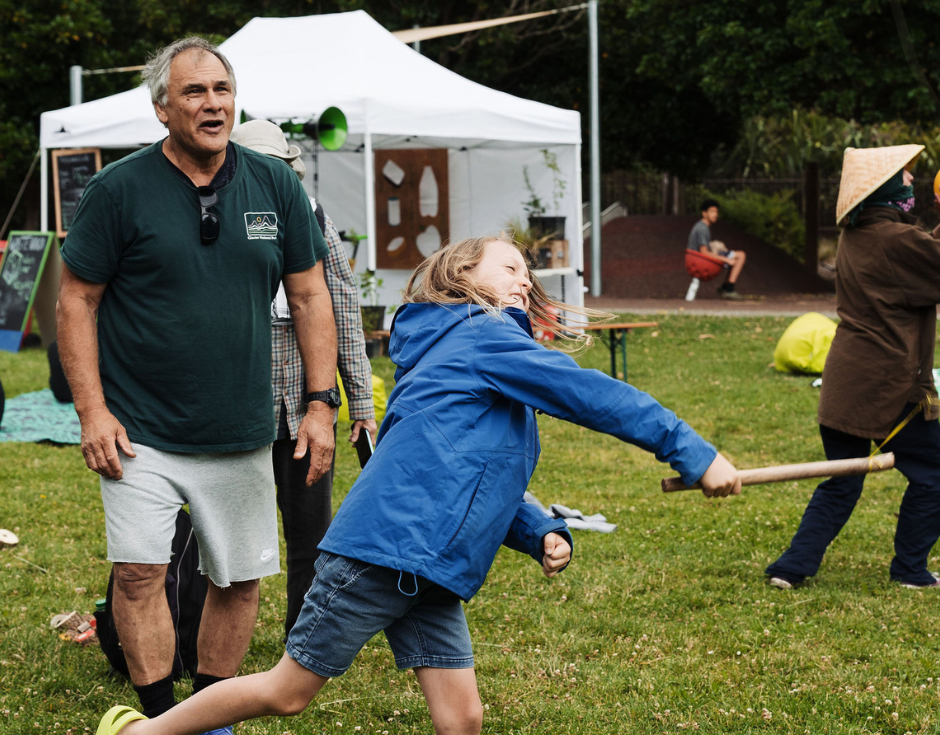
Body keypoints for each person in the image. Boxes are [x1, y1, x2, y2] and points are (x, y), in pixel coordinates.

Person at [96, 236, 740, 735]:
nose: (525, 279)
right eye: (509, 267)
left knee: (461, 720)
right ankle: (147, 730)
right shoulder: (484, 339)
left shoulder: (466, 355)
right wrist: (694, 453)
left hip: (431, 570)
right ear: (463, 278)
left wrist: (537, 528)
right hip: (380, 556)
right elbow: (594, 395)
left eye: (528, 272)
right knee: (286, 692)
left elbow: (465, 473)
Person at [57, 37, 338, 731]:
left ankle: (210, 719)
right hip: (137, 430)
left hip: (241, 427)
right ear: (162, 109)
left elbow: (310, 296)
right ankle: (158, 718)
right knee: (137, 574)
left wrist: (321, 403)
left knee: (239, 581)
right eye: (193, 91)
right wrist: (91, 411)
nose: (212, 103)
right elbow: (75, 301)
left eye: (221, 89)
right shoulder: (118, 190)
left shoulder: (275, 184)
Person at [766, 143, 940, 590]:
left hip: (846, 383)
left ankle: (790, 569)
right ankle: (909, 570)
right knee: (935, 473)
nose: (911, 182)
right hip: (887, 387)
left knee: (842, 481)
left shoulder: (859, 234)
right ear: (882, 190)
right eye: (902, 176)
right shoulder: (894, 239)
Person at [229, 119, 378, 638]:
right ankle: (187, 634)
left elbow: (342, 307)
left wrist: (361, 403)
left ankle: (306, 639)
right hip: (231, 412)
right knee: (218, 534)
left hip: (304, 409)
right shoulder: (209, 217)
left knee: (311, 531)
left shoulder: (311, 215)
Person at [687, 199, 747, 299]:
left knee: (734, 257)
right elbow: (704, 252)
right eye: (712, 212)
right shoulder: (702, 228)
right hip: (700, 261)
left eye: (716, 212)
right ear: (704, 213)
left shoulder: (701, 226)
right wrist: (726, 259)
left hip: (696, 259)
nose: (715, 214)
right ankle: (728, 289)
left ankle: (726, 288)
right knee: (741, 255)